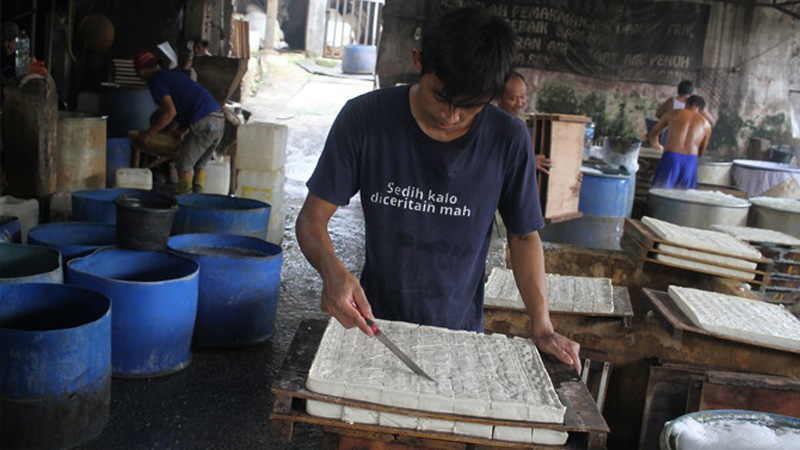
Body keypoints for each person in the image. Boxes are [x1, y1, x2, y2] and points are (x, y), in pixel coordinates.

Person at [296, 7, 581, 373]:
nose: (450, 115)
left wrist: (543, 328)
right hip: (373, 326)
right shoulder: (365, 119)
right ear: (419, 61)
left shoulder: (508, 138)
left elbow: (524, 236)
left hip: (460, 335)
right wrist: (332, 271)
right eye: (440, 96)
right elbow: (312, 218)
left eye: (468, 107)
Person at [133, 50, 224, 194]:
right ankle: (198, 198)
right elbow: (189, 104)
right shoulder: (173, 76)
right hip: (218, 121)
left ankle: (186, 201)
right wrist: (181, 130)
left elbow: (170, 112)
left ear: (140, 72)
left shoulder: (156, 81)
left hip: (204, 121)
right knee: (200, 165)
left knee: (183, 166)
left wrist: (149, 133)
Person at [648, 95, 712, 190]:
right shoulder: (707, 124)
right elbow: (701, 152)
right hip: (690, 161)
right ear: (701, 110)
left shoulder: (672, 113)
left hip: (671, 157)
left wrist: (657, 145)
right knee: (684, 197)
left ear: (686, 104)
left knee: (660, 192)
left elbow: (653, 134)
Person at [495, 71, 551, 174]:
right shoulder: (492, 126)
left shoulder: (521, 126)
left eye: (523, 97)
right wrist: (530, 162)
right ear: (498, 98)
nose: (520, 103)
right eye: (513, 98)